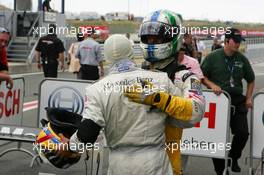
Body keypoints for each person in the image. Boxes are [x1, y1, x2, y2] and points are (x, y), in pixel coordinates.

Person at [64, 34, 202, 175]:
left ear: (106, 56)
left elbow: (88, 132)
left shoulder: (96, 89)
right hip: (156, 161)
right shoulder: (161, 79)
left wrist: (70, 145)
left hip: (119, 162)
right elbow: (186, 118)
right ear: (131, 52)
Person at [136, 10, 205, 175]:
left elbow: (196, 112)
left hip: (165, 160)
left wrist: (161, 100)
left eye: (157, 38)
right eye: (148, 38)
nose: (151, 42)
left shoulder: (186, 77)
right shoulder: (136, 72)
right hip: (133, 159)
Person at [201, 28, 255, 175]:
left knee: (243, 133)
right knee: (216, 138)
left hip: (237, 101)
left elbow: (251, 80)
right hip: (218, 102)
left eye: (239, 41)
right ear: (226, 41)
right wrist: (212, 85)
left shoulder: (241, 59)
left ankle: (234, 157)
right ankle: (220, 170)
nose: (238, 44)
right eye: (235, 41)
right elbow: (201, 76)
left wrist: (249, 97)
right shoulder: (213, 57)